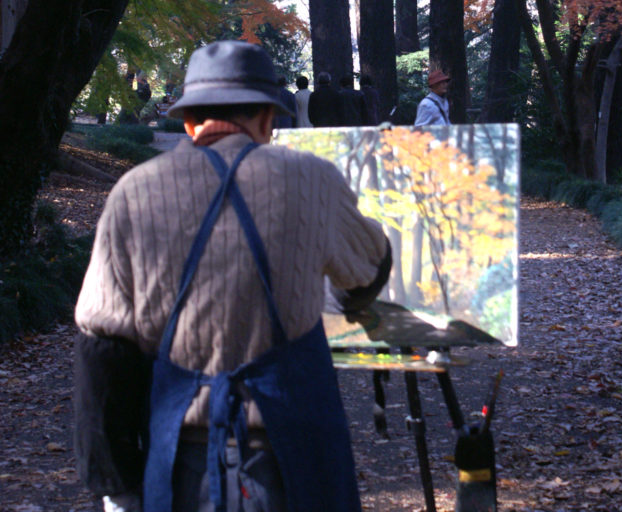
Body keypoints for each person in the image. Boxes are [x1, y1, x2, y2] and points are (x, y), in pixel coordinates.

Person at [74, 40, 390, 512]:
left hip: (179, 463)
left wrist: (115, 483)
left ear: (188, 121)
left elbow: (102, 351)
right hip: (296, 462)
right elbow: (370, 270)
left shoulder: (132, 193)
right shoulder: (313, 179)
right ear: (268, 118)